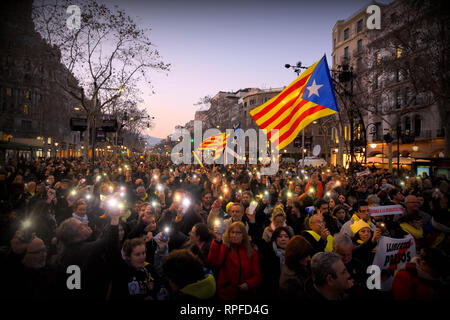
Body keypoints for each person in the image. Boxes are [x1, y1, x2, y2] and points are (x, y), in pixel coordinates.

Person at [208, 221, 261, 300]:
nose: (234, 235)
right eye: (232, 232)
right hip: (226, 294)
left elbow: (257, 276)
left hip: (245, 295)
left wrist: (248, 284)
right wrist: (217, 241)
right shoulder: (225, 247)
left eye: (238, 233)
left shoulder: (251, 252)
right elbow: (213, 262)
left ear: (243, 235)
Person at [258, 226, 291, 298]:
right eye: (280, 236)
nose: (283, 239)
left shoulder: (293, 253)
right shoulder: (268, 253)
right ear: (275, 239)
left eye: (286, 236)